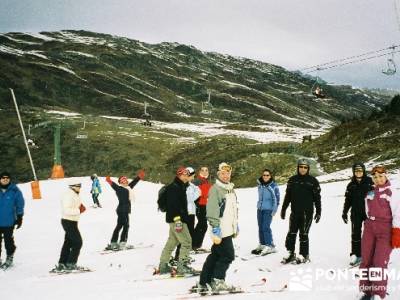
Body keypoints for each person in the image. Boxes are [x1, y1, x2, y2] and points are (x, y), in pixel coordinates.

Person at [193, 162, 239, 294]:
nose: (226, 176)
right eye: (223, 173)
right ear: (219, 174)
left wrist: (236, 225)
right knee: (228, 255)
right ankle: (218, 280)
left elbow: (232, 209)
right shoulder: (216, 189)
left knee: (216, 255)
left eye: (228, 173)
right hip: (221, 230)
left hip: (228, 229)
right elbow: (212, 210)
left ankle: (204, 281)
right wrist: (215, 228)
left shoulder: (230, 188)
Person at [358, 165, 400, 300]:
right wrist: (368, 223)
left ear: (386, 175)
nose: (378, 179)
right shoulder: (370, 192)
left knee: (379, 262)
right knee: (366, 260)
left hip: (385, 229)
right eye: (375, 177)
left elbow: (398, 214)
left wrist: (396, 231)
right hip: (370, 227)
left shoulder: (392, 192)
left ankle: (378, 293)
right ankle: (365, 290)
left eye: (380, 176)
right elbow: (366, 209)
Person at [280, 158, 321, 264]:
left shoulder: (313, 181)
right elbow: (288, 196)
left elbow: (317, 198)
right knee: (291, 233)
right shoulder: (292, 180)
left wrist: (319, 211)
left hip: (307, 214)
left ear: (308, 169)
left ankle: (304, 255)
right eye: (301, 167)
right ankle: (290, 252)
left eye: (305, 167)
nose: (303, 169)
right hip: (295, 212)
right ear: (298, 168)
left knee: (303, 234)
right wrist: (284, 208)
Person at [158, 167, 197, 276]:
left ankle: (163, 265)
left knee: (172, 241)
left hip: (174, 219)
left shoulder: (180, 186)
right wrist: (178, 221)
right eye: (183, 174)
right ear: (179, 175)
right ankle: (182, 266)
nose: (186, 176)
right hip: (177, 220)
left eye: (187, 174)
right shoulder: (174, 188)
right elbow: (173, 206)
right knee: (187, 241)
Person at [342, 163, 373, 266]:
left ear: (363, 171)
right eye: (356, 171)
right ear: (353, 172)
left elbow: (376, 197)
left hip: (368, 213)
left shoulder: (369, 181)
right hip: (355, 213)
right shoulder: (351, 185)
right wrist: (344, 212)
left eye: (360, 170)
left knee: (369, 234)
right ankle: (356, 254)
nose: (358, 172)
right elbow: (348, 201)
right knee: (355, 234)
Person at [105, 170, 145, 250]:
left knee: (119, 225)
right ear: (120, 182)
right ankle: (122, 243)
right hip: (122, 210)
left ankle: (113, 242)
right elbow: (113, 185)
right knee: (126, 226)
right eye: (122, 179)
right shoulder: (119, 188)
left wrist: (139, 177)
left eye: (125, 178)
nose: (125, 180)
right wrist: (109, 181)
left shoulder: (128, 187)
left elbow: (134, 182)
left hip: (123, 210)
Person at [54, 179, 86, 271]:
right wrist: (79, 210)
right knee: (77, 242)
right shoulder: (68, 195)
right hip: (68, 221)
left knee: (68, 243)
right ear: (72, 186)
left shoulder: (74, 194)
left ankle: (62, 263)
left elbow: (73, 206)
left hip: (72, 221)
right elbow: (66, 210)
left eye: (80, 186)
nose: (80, 188)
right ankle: (71, 263)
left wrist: (80, 207)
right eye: (78, 186)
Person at [173, 167, 201, 263]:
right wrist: (197, 192)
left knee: (189, 235)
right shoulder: (183, 186)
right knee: (184, 236)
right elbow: (189, 199)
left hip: (191, 213)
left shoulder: (191, 186)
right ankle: (179, 256)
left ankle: (184, 255)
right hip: (184, 213)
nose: (192, 177)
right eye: (190, 175)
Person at [251, 168, 280, 255]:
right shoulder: (260, 185)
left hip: (268, 210)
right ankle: (263, 244)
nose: (265, 176)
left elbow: (277, 199)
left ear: (270, 176)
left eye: (267, 175)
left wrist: (274, 210)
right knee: (260, 227)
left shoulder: (273, 186)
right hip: (260, 209)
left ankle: (270, 245)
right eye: (264, 175)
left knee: (265, 227)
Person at [0, 171, 25, 268]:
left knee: (8, 241)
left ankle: (9, 257)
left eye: (7, 177)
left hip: (9, 222)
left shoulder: (15, 190)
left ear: (9, 179)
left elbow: (20, 204)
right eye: (3, 177)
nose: (5, 179)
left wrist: (20, 217)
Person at [192, 166, 212, 251]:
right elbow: (196, 194)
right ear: (199, 171)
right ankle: (194, 245)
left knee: (202, 224)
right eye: (202, 170)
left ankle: (195, 244)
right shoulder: (197, 181)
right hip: (199, 205)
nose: (204, 172)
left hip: (205, 205)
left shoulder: (207, 181)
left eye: (206, 170)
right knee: (202, 224)